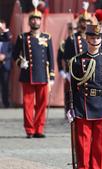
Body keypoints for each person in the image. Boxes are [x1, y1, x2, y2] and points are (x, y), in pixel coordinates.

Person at [68, 24, 102, 169]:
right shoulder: (77, 61)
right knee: (83, 147)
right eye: (92, 37)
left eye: (97, 37)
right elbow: (71, 88)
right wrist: (71, 108)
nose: (95, 40)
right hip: (83, 106)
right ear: (86, 38)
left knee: (100, 147)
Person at [13, 10, 55, 138]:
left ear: (40, 21)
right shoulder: (23, 37)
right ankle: (29, 130)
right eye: (33, 19)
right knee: (28, 105)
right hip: (28, 75)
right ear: (29, 21)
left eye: (37, 19)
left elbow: (50, 57)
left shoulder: (47, 37)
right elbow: (15, 54)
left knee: (42, 105)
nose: (35, 21)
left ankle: (39, 129)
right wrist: (21, 62)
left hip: (42, 74)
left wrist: (52, 76)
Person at [0, 19, 13, 108]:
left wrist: (5, 56)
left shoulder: (7, 37)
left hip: (5, 65)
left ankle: (6, 103)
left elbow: (11, 51)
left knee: (5, 84)